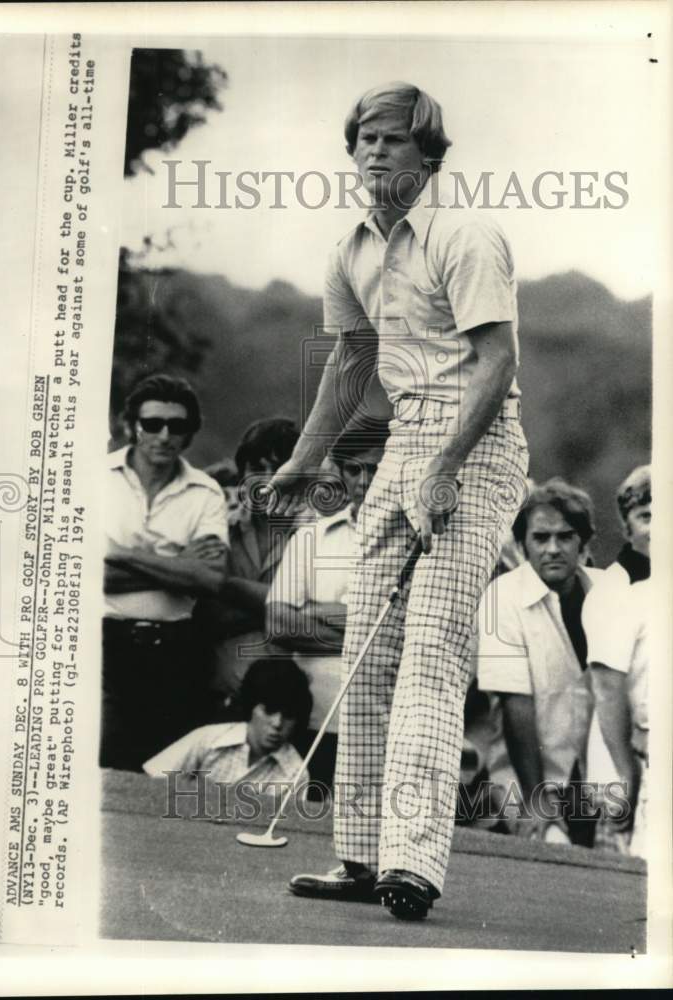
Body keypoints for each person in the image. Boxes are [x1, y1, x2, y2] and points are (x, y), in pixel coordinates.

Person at [275, 82, 529, 919]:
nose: (374, 153)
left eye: (392, 140)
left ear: (429, 154)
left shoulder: (466, 233)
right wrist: (304, 463)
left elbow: (496, 361)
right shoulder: (349, 249)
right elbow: (350, 363)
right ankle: (358, 857)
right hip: (402, 444)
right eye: (363, 141)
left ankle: (413, 864)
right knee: (367, 653)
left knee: (430, 648)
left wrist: (449, 465)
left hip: (479, 444)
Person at [102, 374, 229, 771]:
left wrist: (119, 554)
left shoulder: (206, 493)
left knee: (161, 773)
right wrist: (178, 563)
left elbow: (209, 580)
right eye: (152, 424)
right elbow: (80, 575)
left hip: (174, 654)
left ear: (190, 433)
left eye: (177, 426)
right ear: (131, 427)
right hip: (103, 645)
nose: (164, 435)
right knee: (101, 765)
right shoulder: (92, 479)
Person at [477, 479, 605, 845]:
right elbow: (516, 707)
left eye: (565, 537)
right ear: (522, 545)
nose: (553, 549)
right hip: (525, 779)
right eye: (541, 538)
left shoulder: (609, 592)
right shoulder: (502, 597)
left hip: (599, 781)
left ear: (583, 544)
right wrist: (538, 805)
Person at [267, 421, 389, 792]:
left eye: (377, 469)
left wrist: (318, 611)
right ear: (340, 472)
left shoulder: (421, 544)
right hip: (313, 716)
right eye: (355, 469)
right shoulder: (312, 538)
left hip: (384, 722)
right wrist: (369, 631)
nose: (365, 482)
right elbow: (279, 625)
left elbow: (405, 634)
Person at [194, 418, 301, 716]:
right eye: (257, 469)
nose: (267, 480)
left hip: (288, 711)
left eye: (279, 469)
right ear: (241, 474)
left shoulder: (316, 536)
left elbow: (310, 618)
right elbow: (205, 616)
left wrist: (227, 588)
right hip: (219, 699)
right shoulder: (218, 530)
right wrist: (280, 610)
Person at [582, 465, 651, 855]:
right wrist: (625, 779)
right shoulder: (614, 589)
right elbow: (607, 690)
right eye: (646, 517)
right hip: (625, 766)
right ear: (626, 527)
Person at [143, 658, 312, 801]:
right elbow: (151, 787)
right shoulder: (208, 738)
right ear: (251, 706)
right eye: (269, 710)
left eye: (289, 715)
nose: (277, 723)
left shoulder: (296, 773)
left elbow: (283, 829)